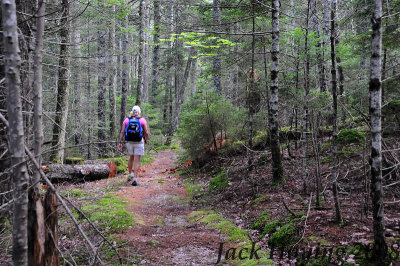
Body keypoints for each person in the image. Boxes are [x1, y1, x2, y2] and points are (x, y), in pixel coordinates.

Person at [118, 105, 149, 186]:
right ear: (139, 112)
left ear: (132, 112)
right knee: (137, 160)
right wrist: (146, 139)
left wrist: (120, 142)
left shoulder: (126, 120)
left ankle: (130, 174)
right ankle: (135, 178)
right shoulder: (142, 120)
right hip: (139, 142)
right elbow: (146, 132)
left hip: (129, 142)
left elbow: (122, 132)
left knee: (131, 157)